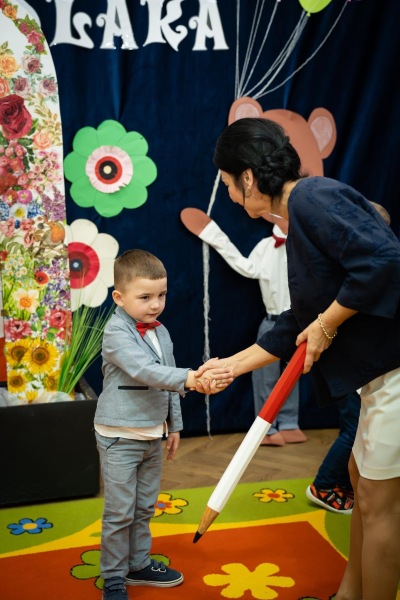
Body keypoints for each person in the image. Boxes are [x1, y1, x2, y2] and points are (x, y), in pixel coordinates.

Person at [194, 117, 400, 600]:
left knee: (379, 504)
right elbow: (296, 322)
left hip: (394, 374)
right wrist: (229, 367)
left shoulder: (310, 197)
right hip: (377, 380)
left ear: (248, 177)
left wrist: (327, 324)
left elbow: (385, 262)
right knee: (359, 485)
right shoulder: (299, 217)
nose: (231, 197)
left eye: (229, 185)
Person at [94, 249, 233, 600]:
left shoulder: (161, 331)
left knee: (144, 507)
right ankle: (113, 577)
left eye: (162, 295)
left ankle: (138, 563)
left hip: (152, 435)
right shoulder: (115, 332)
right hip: (119, 437)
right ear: (119, 297)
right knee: (120, 512)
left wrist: (174, 426)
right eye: (145, 297)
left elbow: (166, 382)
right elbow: (146, 371)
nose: (155, 305)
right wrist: (192, 378)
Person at [181, 207, 306, 446]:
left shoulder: (304, 247)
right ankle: (266, 428)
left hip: (300, 324)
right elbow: (245, 267)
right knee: (265, 377)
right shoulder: (265, 247)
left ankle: (290, 422)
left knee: (293, 376)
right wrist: (214, 235)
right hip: (273, 322)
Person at [306, 201, 392, 515]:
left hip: (362, 375)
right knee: (354, 430)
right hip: (353, 375)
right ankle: (325, 484)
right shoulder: (350, 276)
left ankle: (347, 483)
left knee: (360, 431)